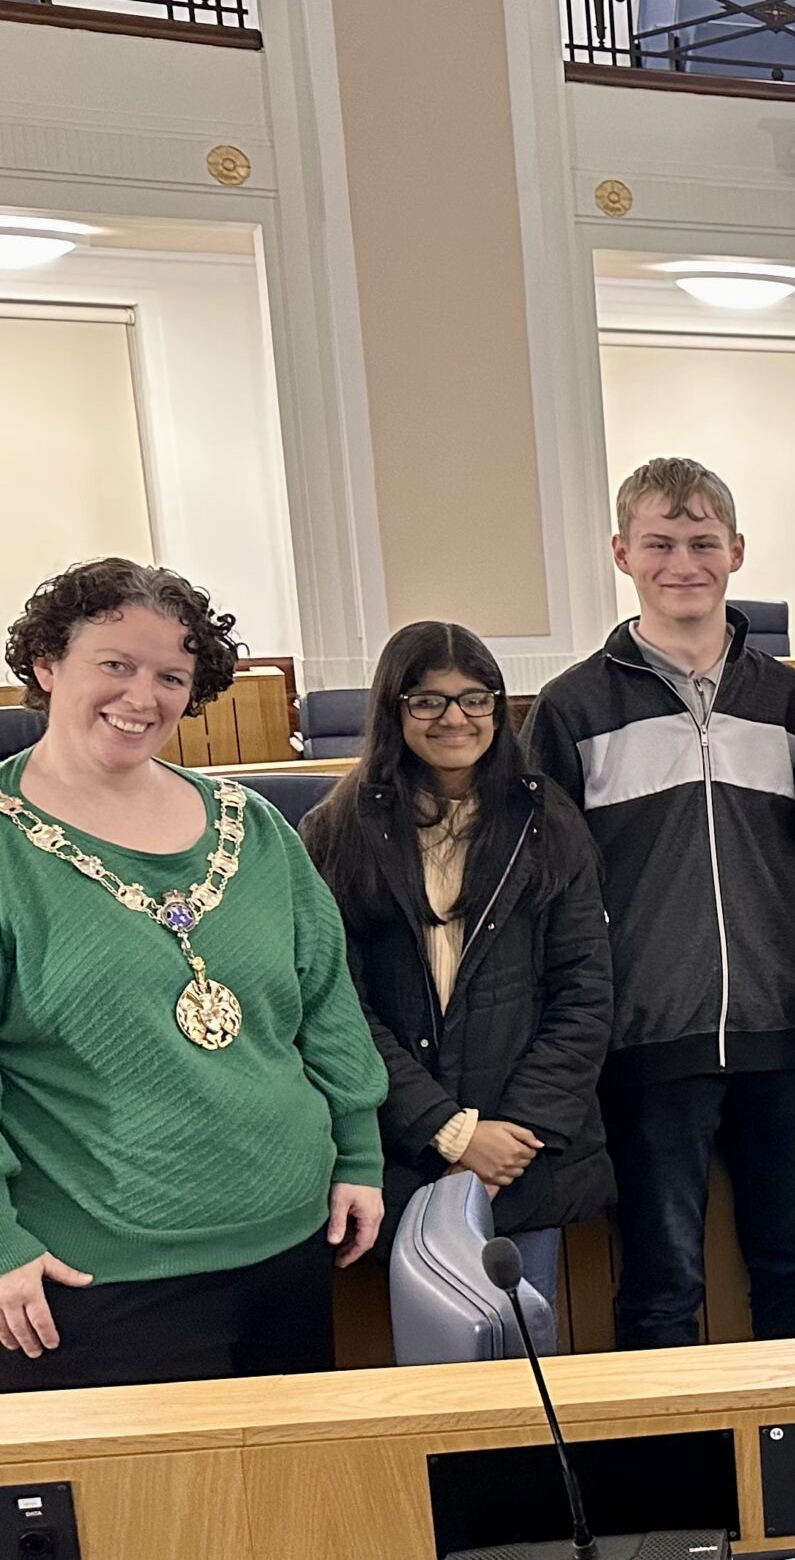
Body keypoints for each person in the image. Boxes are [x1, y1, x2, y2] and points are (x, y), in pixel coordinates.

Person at [0, 559, 385, 1390]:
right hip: (95, 1276)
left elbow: (326, 1003)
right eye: (116, 664)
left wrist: (358, 1153)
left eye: (171, 676)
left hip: (290, 1240)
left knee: (299, 1506)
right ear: (46, 664)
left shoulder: (254, 829)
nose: (144, 697)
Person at [525, 457, 795, 1349]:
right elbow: (552, 892)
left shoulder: (792, 702)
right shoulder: (573, 706)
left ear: (736, 551)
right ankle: (673, 1486)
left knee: (793, 1273)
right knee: (661, 1286)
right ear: (623, 552)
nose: (682, 562)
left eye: (702, 542)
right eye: (659, 543)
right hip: (647, 1039)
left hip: (785, 1033)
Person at [302, 621, 613, 1317]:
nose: (455, 719)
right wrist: (449, 1132)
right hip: (406, 1150)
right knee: (435, 1370)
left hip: (522, 1156)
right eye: (428, 701)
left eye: (476, 699)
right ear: (394, 709)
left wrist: (512, 1136)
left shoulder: (545, 818)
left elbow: (584, 992)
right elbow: (336, 1008)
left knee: (524, 1356)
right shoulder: (335, 830)